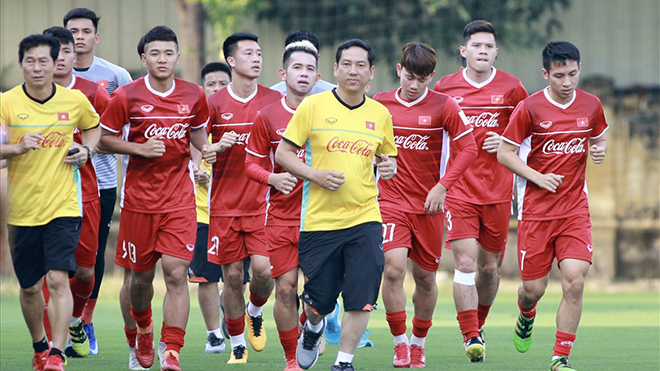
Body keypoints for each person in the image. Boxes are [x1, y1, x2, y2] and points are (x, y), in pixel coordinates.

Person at [275, 39, 398, 371]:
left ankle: (344, 362)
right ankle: (312, 330)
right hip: (319, 223)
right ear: (335, 69)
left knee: (361, 296)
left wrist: (388, 167)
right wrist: (314, 175)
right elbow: (283, 154)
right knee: (319, 302)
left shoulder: (380, 114)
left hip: (365, 218)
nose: (353, 71)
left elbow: (389, 160)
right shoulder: (312, 107)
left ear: (371, 73)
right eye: (347, 64)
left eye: (361, 65)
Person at [98, 26, 215, 371]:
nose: (162, 59)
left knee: (177, 274)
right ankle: (143, 329)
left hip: (180, 200)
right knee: (141, 278)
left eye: (168, 53)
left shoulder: (194, 95)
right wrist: (139, 148)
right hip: (138, 202)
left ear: (178, 57)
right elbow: (103, 140)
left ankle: (172, 351)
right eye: (155, 53)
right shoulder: (126, 96)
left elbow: (198, 139)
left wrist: (206, 158)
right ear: (143, 58)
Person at [497, 41, 608, 371]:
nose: (567, 82)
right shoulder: (529, 108)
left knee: (574, 279)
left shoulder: (591, 105)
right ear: (545, 74)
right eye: (559, 76)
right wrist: (538, 177)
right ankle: (526, 310)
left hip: (574, 209)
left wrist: (599, 150)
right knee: (534, 288)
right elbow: (504, 153)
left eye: (573, 74)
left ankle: (560, 357)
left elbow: (598, 137)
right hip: (536, 212)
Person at [374, 42, 477, 368]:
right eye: (409, 76)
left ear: (431, 76)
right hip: (390, 201)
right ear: (398, 69)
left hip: (429, 207)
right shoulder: (380, 104)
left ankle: (419, 341)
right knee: (392, 269)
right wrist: (378, 161)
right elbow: (364, 144)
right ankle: (400, 342)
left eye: (422, 79)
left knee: (426, 279)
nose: (414, 84)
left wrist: (442, 186)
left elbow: (469, 149)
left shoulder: (445, 106)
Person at [1, 33, 101, 371]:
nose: (38, 67)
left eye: (44, 60)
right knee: (29, 288)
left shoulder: (73, 101)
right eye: (30, 60)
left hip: (63, 206)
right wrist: (16, 147)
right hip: (21, 210)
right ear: (21, 64)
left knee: (58, 280)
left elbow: (93, 127)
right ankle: (40, 345)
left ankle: (57, 356)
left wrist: (86, 149)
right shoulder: (7, 103)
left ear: (56, 62)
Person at [433, 20, 529, 362]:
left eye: (488, 46)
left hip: (499, 192)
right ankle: (470, 334)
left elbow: (527, 135)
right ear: (464, 51)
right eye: (476, 46)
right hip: (459, 190)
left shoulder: (512, 89)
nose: (482, 51)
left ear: (496, 52)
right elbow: (432, 136)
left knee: (489, 268)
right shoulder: (445, 88)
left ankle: (479, 327)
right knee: (464, 261)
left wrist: (505, 144)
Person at [205, 32, 282, 364]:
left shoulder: (273, 102)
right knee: (232, 276)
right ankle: (237, 343)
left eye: (259, 52)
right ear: (231, 61)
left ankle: (255, 310)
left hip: (264, 204)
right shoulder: (213, 104)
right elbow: (196, 148)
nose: (257, 58)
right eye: (249, 53)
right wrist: (213, 149)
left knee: (264, 272)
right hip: (224, 206)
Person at [245, 40, 320, 371]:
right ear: (283, 73)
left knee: (319, 299)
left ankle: (312, 328)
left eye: (309, 69)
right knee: (286, 289)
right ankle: (292, 359)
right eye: (297, 67)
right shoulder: (267, 115)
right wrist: (272, 179)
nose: (303, 74)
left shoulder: (328, 113)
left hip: (323, 220)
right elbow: (251, 164)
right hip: (280, 218)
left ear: (318, 77)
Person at [63, 7, 133, 357]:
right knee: (61, 257)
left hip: (101, 182)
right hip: (55, 185)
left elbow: (126, 128)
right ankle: (61, 327)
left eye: (85, 30)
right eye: (72, 31)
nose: (78, 37)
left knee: (91, 259)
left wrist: (128, 175)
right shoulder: (49, 76)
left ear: (95, 37)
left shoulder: (114, 76)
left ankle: (84, 318)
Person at [39, 26, 111, 359]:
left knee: (84, 271)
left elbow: (110, 133)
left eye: (66, 51)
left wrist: (89, 149)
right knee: (51, 274)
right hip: (42, 197)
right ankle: (50, 349)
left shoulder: (92, 94)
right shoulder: (27, 96)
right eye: (54, 52)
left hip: (86, 193)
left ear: (74, 55)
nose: (61, 58)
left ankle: (78, 319)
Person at [187, 61, 232, 354]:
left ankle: (234, 310)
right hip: (201, 212)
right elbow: (191, 159)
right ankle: (213, 334)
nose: (216, 89)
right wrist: (197, 172)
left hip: (235, 210)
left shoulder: (240, 121)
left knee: (238, 278)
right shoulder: (195, 122)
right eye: (211, 84)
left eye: (221, 83)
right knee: (206, 277)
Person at [271, 30, 335, 95]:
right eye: (297, 67)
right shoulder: (272, 96)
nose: (303, 74)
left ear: (317, 59)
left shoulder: (334, 95)